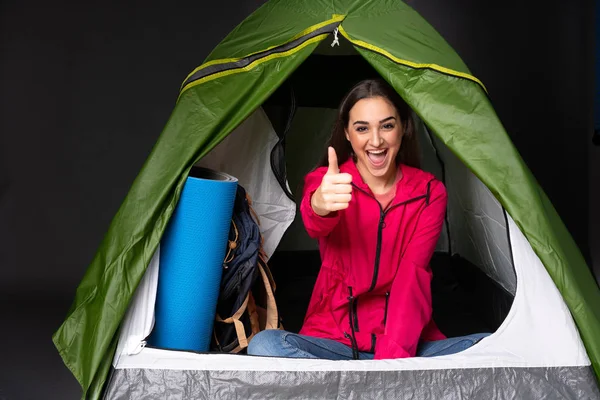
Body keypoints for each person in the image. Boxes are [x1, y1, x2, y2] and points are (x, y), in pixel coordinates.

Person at [248, 79, 489, 360]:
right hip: (335, 341)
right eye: (362, 128)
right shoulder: (329, 182)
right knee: (265, 345)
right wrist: (320, 204)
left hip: (404, 343)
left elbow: (412, 278)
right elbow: (315, 220)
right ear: (348, 134)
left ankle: (356, 386)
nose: (376, 141)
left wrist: (389, 363)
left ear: (403, 128)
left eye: (387, 125)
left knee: (488, 347)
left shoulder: (429, 193)